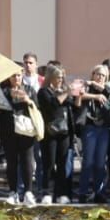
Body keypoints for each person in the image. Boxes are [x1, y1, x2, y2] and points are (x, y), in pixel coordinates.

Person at [35, 64, 75, 203]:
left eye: (62, 77)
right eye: (58, 77)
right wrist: (67, 92)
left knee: (62, 163)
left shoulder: (62, 91)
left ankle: (61, 194)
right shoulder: (43, 92)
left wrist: (76, 95)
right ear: (51, 78)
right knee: (49, 164)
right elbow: (53, 104)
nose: (60, 79)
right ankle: (47, 192)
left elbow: (72, 106)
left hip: (64, 132)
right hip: (49, 133)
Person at [1, 70, 40, 204]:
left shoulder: (29, 89)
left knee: (27, 161)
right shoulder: (4, 91)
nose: (16, 78)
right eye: (13, 75)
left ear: (22, 75)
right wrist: (9, 98)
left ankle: (28, 192)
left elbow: (37, 107)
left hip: (26, 130)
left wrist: (27, 100)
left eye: (18, 75)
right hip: (8, 130)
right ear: (9, 77)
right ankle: (13, 192)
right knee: (11, 162)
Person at [77, 65, 110, 202]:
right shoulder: (86, 87)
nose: (100, 77)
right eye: (97, 74)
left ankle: (99, 192)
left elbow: (107, 92)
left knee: (100, 162)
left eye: (103, 75)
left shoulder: (106, 89)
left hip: (103, 128)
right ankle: (83, 192)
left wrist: (96, 87)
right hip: (90, 127)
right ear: (92, 74)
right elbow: (78, 94)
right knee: (88, 161)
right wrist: (95, 95)